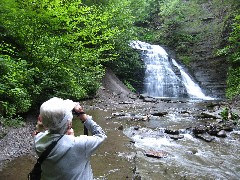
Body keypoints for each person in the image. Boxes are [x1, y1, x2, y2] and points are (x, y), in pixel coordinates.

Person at [33, 97, 107, 180]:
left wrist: (39, 126)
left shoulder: (38, 141)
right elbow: (101, 135)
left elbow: (39, 132)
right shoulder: (80, 144)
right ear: (69, 124)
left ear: (41, 120)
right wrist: (83, 115)